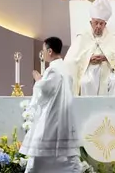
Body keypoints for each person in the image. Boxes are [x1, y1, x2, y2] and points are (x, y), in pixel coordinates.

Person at [20, 37, 81, 172]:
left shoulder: (53, 70)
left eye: (43, 50)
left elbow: (45, 91)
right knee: (66, 157)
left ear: (50, 51)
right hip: (65, 115)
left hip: (53, 116)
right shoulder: (65, 68)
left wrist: (38, 80)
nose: (43, 53)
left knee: (41, 153)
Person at [64, 0, 115, 96]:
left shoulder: (111, 37)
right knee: (85, 83)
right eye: (96, 23)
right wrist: (88, 58)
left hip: (108, 70)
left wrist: (106, 57)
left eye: (101, 23)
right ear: (91, 23)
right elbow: (70, 60)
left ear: (105, 24)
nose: (98, 26)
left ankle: (113, 110)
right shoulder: (82, 36)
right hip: (88, 70)